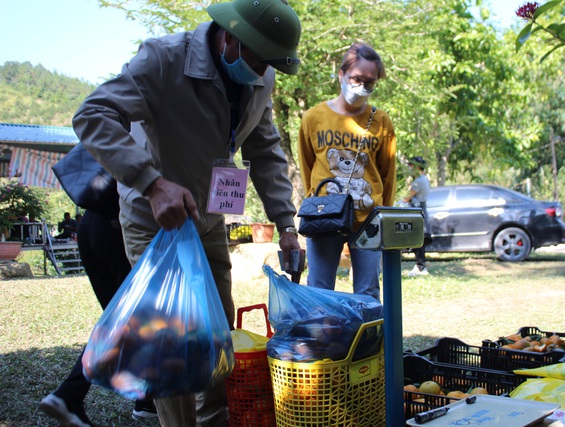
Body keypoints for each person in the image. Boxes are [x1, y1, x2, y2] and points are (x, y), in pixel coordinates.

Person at [71, 0, 302, 425]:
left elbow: (264, 149)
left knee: (214, 330)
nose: (263, 70)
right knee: (170, 338)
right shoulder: (163, 60)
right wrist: (152, 183)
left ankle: (214, 418)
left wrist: (286, 225)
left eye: (271, 63)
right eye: (259, 58)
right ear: (230, 36)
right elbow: (93, 115)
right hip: (154, 216)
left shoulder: (261, 76)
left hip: (208, 217)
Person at [39, 207, 158, 425]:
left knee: (123, 320)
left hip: (89, 226)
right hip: (117, 226)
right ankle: (69, 393)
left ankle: (146, 400)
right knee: (129, 319)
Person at [298, 42, 396, 301]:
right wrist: (316, 203)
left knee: (368, 292)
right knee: (319, 289)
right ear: (341, 75)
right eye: (356, 78)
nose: (362, 87)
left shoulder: (382, 121)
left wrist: (385, 215)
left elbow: (388, 174)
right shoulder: (313, 117)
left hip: (368, 220)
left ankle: (367, 342)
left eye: (370, 82)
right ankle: (321, 340)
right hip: (324, 216)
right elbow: (307, 167)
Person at [401, 156, 430, 276]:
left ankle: (420, 266)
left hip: (417, 212)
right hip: (420, 211)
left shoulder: (418, 181)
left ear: (417, 167)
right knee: (418, 239)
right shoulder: (423, 179)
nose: (410, 168)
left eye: (411, 166)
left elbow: (407, 197)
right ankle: (420, 265)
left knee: (418, 240)